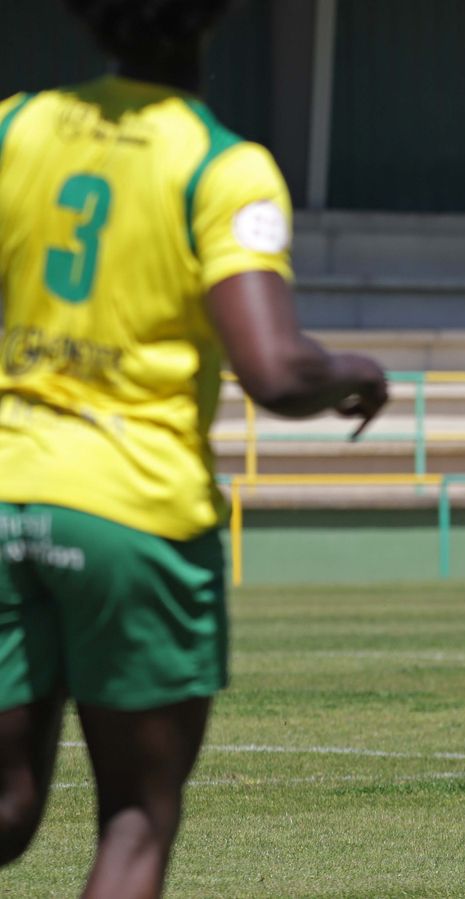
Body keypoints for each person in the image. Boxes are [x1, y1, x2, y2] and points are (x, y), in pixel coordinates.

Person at [0, 2, 389, 894]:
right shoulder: (222, 167)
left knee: (8, 812)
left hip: (8, 491)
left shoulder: (17, 127)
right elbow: (275, 370)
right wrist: (355, 371)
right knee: (135, 819)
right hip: (135, 512)